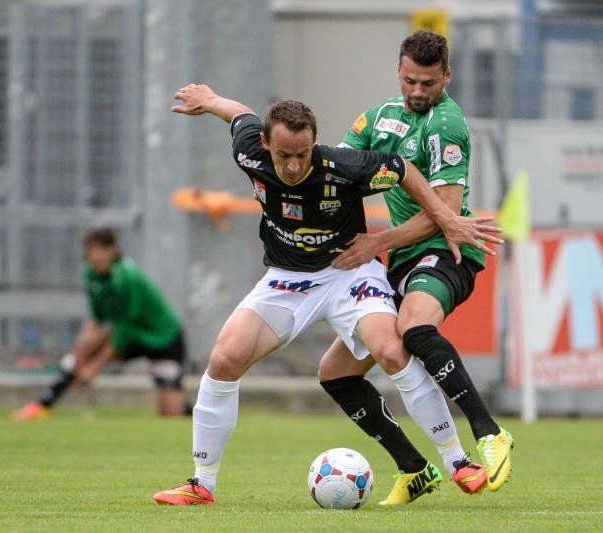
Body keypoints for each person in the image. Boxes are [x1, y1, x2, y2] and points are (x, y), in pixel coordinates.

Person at [152, 83, 501, 506]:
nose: (294, 165)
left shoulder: (344, 166)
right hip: (286, 279)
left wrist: (446, 218)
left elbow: (404, 170)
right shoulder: (249, 151)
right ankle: (202, 483)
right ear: (266, 144)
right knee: (224, 359)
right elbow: (239, 113)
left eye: (303, 154)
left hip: (348, 273)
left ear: (314, 143)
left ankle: (457, 460)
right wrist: (209, 102)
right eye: (284, 155)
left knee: (390, 349)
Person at [332, 29, 514, 492]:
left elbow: (445, 215)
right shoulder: (377, 116)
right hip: (399, 261)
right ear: (398, 70)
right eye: (409, 80)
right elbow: (336, 169)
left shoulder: (446, 124)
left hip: (448, 251)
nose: (416, 91)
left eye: (428, 83)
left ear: (447, 76)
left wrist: (375, 243)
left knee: (414, 327)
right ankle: (415, 468)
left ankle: (489, 432)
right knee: (335, 374)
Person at [13, 227, 191, 420]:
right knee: (83, 347)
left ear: (113, 250)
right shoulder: (92, 274)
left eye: (102, 250)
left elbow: (125, 330)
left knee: (171, 413)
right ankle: (42, 404)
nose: (97, 256)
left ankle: (202, 412)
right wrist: (78, 353)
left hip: (163, 340)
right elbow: (96, 320)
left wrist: (94, 367)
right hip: (134, 338)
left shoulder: (126, 276)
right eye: (92, 250)